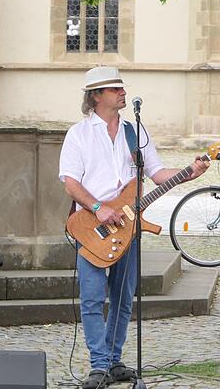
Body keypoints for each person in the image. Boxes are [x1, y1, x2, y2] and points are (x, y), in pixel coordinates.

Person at [58, 66, 209, 389]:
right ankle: (98, 366)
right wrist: (98, 209)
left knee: (124, 299)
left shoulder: (135, 132)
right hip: (91, 226)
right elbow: (70, 183)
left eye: (122, 88)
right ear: (96, 96)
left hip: (129, 229)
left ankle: (113, 361)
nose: (122, 92)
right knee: (92, 299)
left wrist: (190, 172)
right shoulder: (79, 134)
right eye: (115, 89)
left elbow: (156, 175)